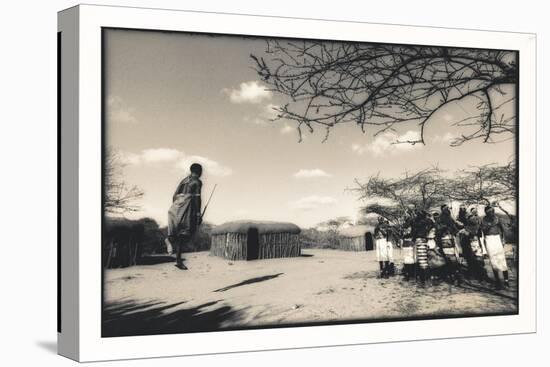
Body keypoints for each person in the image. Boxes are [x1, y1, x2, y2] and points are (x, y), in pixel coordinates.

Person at [166, 163, 203, 270]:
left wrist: (178, 205)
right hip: (186, 208)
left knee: (177, 234)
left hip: (175, 207)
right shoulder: (197, 182)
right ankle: (177, 258)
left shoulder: (184, 180)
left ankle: (169, 241)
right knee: (186, 233)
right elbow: (197, 199)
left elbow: (174, 195)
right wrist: (198, 214)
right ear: (199, 172)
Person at [481, 205, 509, 289]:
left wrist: (504, 239)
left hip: (497, 239)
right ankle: (498, 282)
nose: (491, 213)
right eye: (489, 212)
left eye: (492, 211)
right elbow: (483, 230)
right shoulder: (483, 220)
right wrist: (489, 225)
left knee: (502, 260)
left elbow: (503, 229)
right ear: (486, 212)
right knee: (493, 261)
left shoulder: (497, 218)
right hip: (489, 239)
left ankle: (506, 281)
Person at [435, 204, 463, 285]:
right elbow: (438, 229)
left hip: (452, 239)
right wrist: (444, 227)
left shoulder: (451, 218)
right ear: (442, 210)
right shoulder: (440, 219)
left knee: (455, 258)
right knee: (450, 258)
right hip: (445, 240)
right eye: (445, 208)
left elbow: (456, 228)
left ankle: (456, 276)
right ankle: (453, 276)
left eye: (448, 208)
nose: (447, 210)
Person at [411, 209, 434, 286]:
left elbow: (413, 232)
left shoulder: (416, 222)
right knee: (423, 258)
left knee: (421, 259)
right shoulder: (426, 221)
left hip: (419, 240)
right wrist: (427, 231)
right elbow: (432, 224)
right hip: (423, 239)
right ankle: (425, 278)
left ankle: (423, 279)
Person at [464, 207, 487, 282]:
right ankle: (475, 275)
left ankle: (482, 276)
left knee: (479, 260)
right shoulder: (467, 228)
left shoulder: (479, 227)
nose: (473, 219)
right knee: (473, 260)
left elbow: (481, 236)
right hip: (471, 244)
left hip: (477, 244)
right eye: (471, 218)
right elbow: (466, 236)